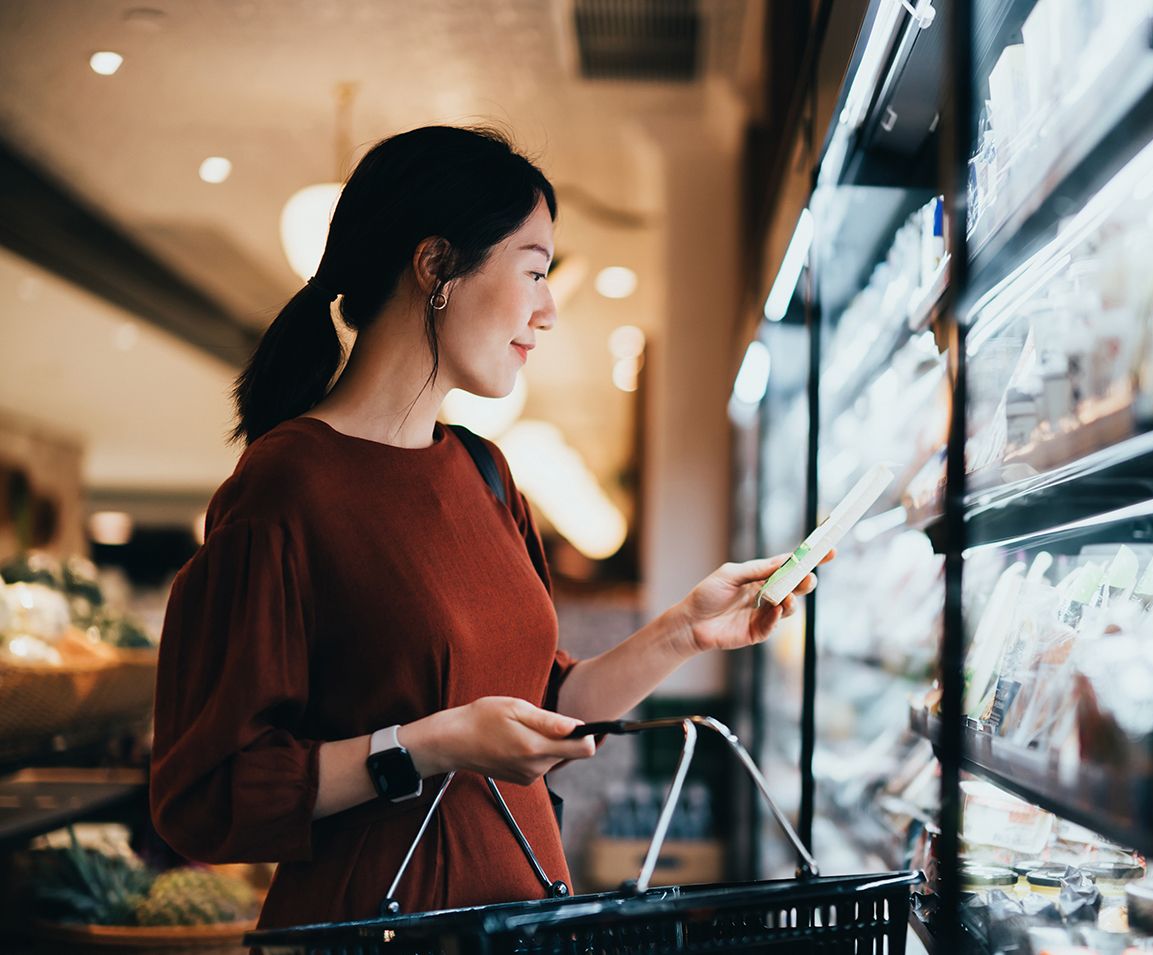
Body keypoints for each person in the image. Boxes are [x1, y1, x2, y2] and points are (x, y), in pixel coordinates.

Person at [149, 125, 822, 930]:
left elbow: (544, 706)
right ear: (435, 267)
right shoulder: (287, 484)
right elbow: (208, 791)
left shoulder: (485, 472)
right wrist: (427, 744)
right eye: (534, 270)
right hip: (381, 929)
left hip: (526, 918)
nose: (545, 312)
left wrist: (685, 631)